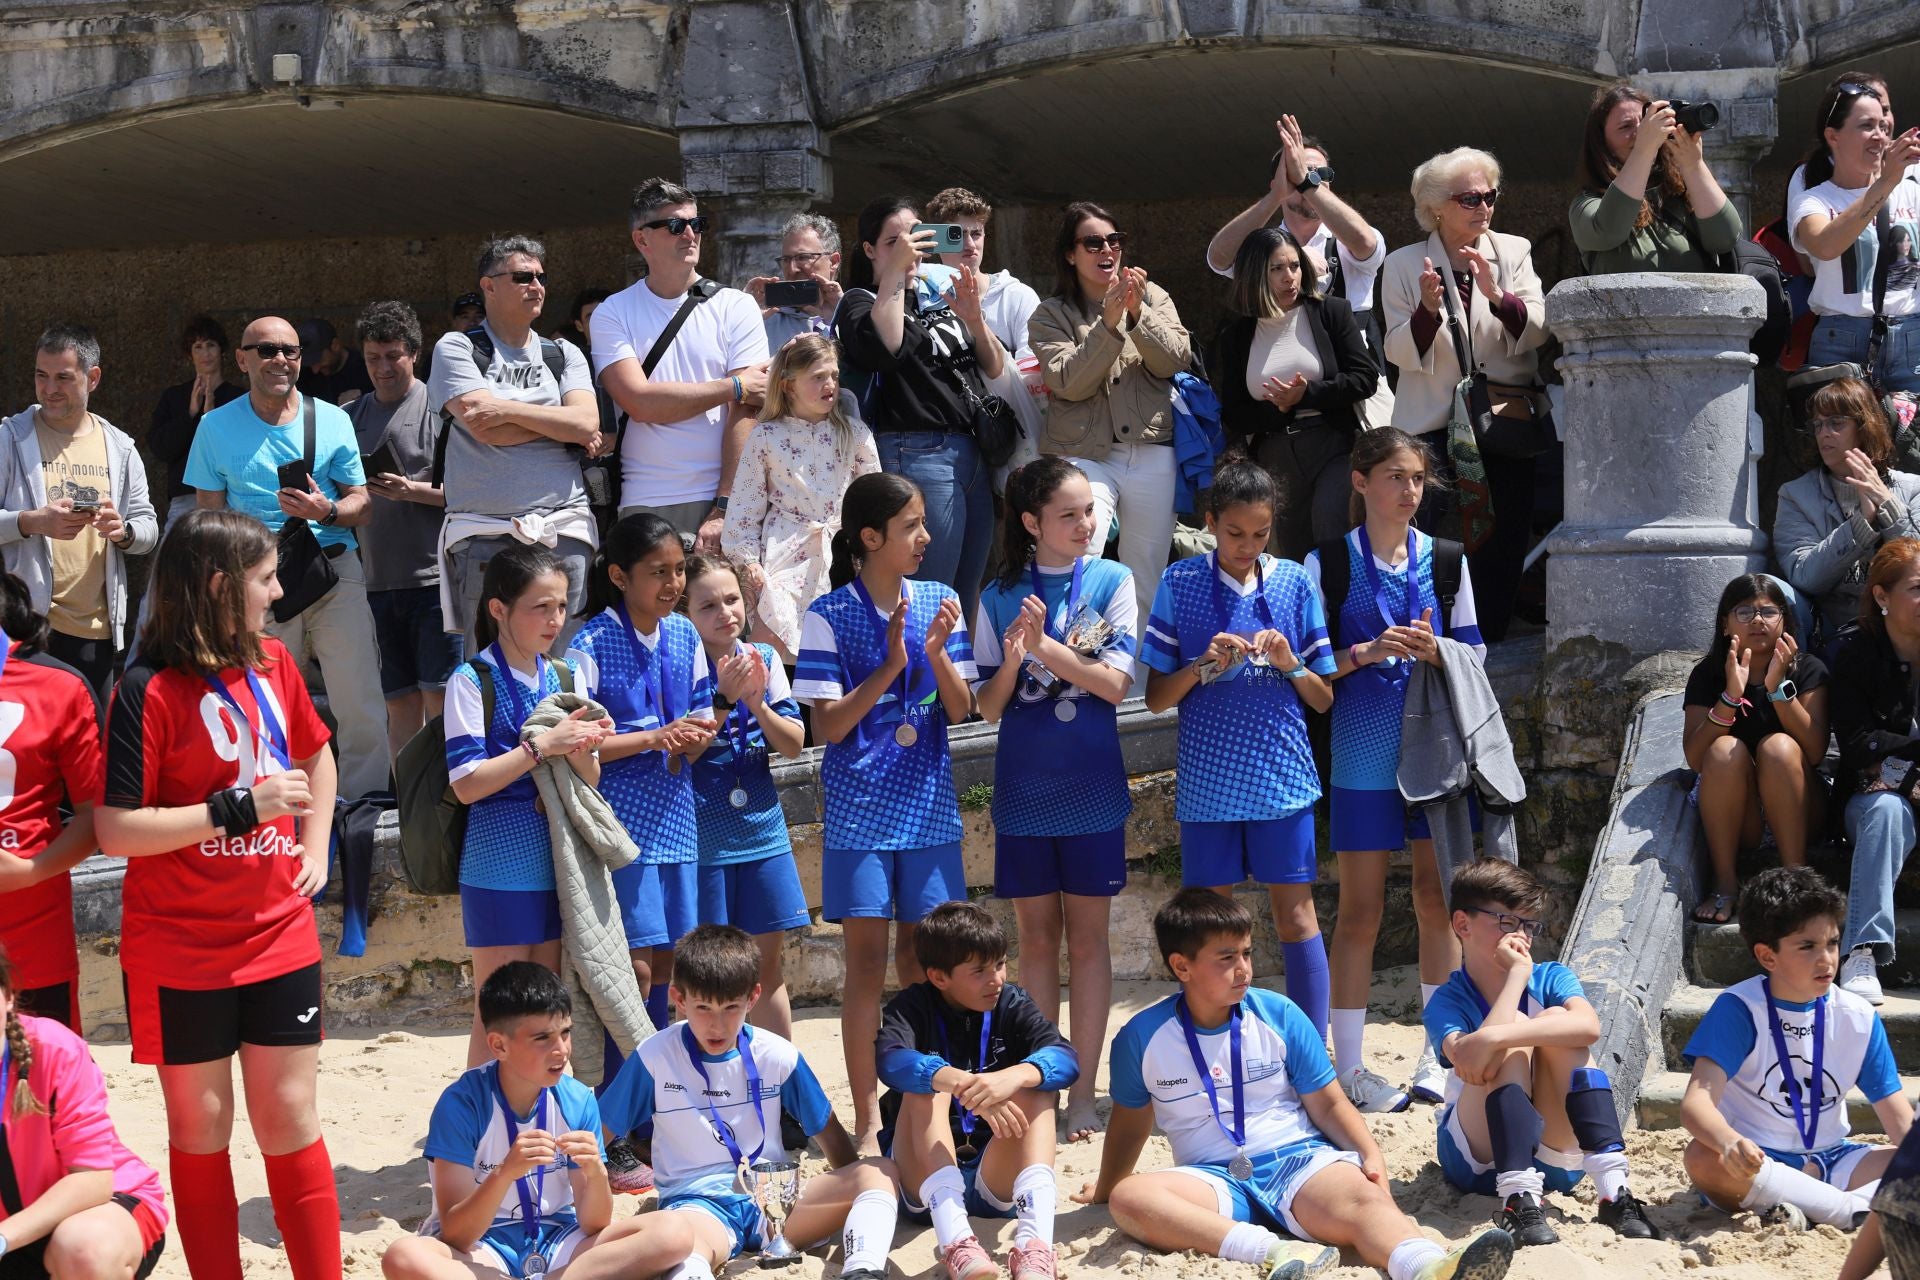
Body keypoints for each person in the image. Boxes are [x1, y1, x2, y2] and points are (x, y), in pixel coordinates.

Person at [97, 508, 342, 1280]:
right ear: (218, 587)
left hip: (278, 932)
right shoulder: (143, 688)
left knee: (289, 1119)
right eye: (264, 579)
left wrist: (316, 848)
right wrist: (238, 809)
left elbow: (318, 754)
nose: (277, 594)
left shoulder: (275, 662)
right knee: (200, 1128)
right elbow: (115, 829)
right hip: (179, 946)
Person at [1076, 888, 1516, 1280]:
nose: (1244, 969)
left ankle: (1428, 1267)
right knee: (1131, 1197)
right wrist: (1105, 1187)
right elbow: (1130, 1126)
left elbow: (1328, 1105)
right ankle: (1277, 1252)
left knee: (1366, 1201)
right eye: (1226, 958)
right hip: (1210, 1179)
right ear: (1181, 966)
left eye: (1247, 954)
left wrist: (1369, 1153)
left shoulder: (1279, 1014)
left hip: (1299, 1163)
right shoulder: (1140, 1037)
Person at [793, 472, 978, 1155]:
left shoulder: (941, 601)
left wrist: (932, 654)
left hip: (929, 811)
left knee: (927, 962)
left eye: (924, 523)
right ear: (870, 538)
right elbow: (830, 728)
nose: (925, 538)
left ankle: (927, 1103)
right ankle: (869, 1115)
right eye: (911, 527)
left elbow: (961, 711)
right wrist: (890, 664)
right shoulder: (829, 614)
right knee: (866, 965)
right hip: (860, 816)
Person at [1304, 429, 1481, 1113]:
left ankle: (1443, 1057)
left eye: (1416, 479)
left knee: (1439, 905)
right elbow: (1311, 667)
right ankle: (1348, 1068)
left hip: (1435, 755)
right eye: (1394, 477)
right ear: (1360, 481)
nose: (1408, 491)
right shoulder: (1328, 564)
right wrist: (1367, 651)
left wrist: (1436, 650)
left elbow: (1478, 652)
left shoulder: (1447, 561)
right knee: (1360, 913)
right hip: (1360, 757)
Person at [1141, 455, 1337, 1038]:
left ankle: (1312, 1046)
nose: (1247, 544)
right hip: (1209, 785)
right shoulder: (1180, 582)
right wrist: (1203, 665)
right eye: (1233, 533)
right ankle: (1211, 1038)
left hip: (1283, 780)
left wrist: (1290, 663)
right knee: (1207, 924)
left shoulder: (1298, 582)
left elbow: (1323, 698)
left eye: (1260, 532)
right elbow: (1155, 698)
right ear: (1208, 522)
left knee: (1296, 916)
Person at [972, 457, 1136, 1143]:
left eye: (1088, 512)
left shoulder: (1113, 579)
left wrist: (1046, 648)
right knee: (1037, 940)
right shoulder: (998, 593)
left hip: (1093, 784)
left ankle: (1085, 1094)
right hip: (1026, 786)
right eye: (1068, 514)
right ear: (1032, 522)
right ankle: (1047, 1076)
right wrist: (1015, 658)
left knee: (1090, 942)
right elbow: (985, 705)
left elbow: (1116, 684)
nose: (1084, 524)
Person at [596, 924, 905, 1280]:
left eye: (731, 1007)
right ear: (679, 1000)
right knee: (686, 1248)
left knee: (878, 1173)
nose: (718, 1024)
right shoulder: (654, 1057)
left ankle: (862, 1270)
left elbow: (832, 1140)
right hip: (698, 1207)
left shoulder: (777, 1055)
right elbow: (595, 1137)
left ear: (753, 997)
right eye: (702, 1008)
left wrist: (848, 1197)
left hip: (777, 1202)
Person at [185, 314, 390, 800]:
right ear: (242, 359)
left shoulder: (333, 418)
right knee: (268, 701)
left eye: (290, 351)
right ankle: (277, 804)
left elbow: (361, 503)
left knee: (360, 700)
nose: (280, 359)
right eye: (266, 350)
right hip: (257, 582)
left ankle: (368, 808)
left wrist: (330, 508)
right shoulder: (215, 427)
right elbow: (209, 517)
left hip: (334, 567)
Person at [1423, 858, 1660, 1246]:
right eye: (1507, 922)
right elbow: (1472, 1064)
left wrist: (1491, 1038)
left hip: (1555, 1158)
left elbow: (1589, 1027)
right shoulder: (1447, 1000)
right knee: (1516, 1027)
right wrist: (1515, 980)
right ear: (1463, 924)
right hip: (1476, 1158)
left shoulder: (1551, 976)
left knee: (1556, 1022)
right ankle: (1518, 1199)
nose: (1522, 935)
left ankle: (1613, 1190)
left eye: (1528, 924)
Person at [379, 963, 658, 1280]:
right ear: (499, 1045)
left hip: (559, 1238)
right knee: (403, 1257)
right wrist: (504, 1173)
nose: (561, 1050)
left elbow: (594, 1225)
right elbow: (456, 1235)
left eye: (565, 1033)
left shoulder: (578, 1099)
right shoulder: (463, 1103)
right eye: (543, 1038)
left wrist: (595, 1172)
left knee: (670, 1232)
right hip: (481, 1247)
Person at [446, 542, 611, 1068]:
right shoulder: (470, 680)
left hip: (560, 864)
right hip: (498, 864)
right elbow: (467, 784)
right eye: (540, 607)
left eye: (561, 606)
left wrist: (584, 749)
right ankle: (477, 1134)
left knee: (550, 1012)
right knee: (497, 1014)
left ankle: (536, 1129)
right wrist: (544, 745)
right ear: (499, 609)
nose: (554, 620)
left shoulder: (567, 677)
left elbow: (592, 777)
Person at [1680, 866, 1913, 1230]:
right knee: (1702, 1157)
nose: (1827, 959)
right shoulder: (1739, 1008)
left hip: (1838, 1159)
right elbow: (1696, 1104)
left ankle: (1822, 1209)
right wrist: (1729, 1142)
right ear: (1767, 956)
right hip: (1760, 1161)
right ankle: (1848, 1211)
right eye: (1808, 946)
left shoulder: (1859, 1016)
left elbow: (1898, 1120)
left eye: (1833, 943)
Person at [1380, 146, 1549, 644]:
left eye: (1490, 196)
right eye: (1470, 198)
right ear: (1436, 206)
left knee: (1506, 533)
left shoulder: (1513, 251)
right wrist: (1427, 312)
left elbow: (1539, 329)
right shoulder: (1404, 263)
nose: (1484, 208)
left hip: (1504, 419)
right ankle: (1433, 638)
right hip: (1432, 424)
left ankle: (1492, 635)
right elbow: (1394, 349)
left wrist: (1498, 296)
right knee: (1433, 537)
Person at [566, 514, 716, 1038]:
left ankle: (661, 1081)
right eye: (658, 572)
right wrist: (655, 736)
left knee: (674, 962)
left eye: (678, 570)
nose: (672, 584)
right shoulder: (591, 643)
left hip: (676, 818)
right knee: (636, 965)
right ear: (619, 576)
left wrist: (706, 724)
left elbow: (701, 716)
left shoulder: (684, 633)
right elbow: (578, 741)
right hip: (621, 826)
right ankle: (629, 1083)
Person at [877, 900, 1080, 1280]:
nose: (997, 979)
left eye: (1001, 964)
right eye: (980, 971)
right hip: (923, 1182)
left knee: (1038, 1085)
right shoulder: (911, 1007)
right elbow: (889, 1062)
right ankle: (956, 1242)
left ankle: (1034, 1246)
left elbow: (1067, 1059)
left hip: (994, 1174)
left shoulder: (1012, 1001)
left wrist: (1017, 1075)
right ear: (940, 977)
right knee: (926, 1084)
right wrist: (957, 1081)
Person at [837, 196, 1007, 623]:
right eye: (894, 241)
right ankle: (917, 686)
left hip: (971, 452)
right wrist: (897, 273)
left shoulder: (937, 292)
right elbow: (889, 348)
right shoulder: (860, 303)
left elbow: (993, 366)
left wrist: (972, 318)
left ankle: (954, 687)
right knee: (932, 596)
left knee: (966, 594)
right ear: (871, 250)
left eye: (914, 237)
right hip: (916, 451)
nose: (908, 248)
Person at [429, 235, 600, 656]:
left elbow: (586, 421)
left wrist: (507, 410)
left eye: (541, 277)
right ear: (489, 286)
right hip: (486, 533)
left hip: (564, 530)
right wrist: (558, 424)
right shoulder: (457, 347)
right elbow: (484, 428)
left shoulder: (564, 353)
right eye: (523, 277)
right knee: (489, 668)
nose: (537, 286)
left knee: (566, 669)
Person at [1028, 201, 1189, 624]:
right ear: (1070, 253)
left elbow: (1175, 359)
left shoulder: (1154, 297)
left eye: (1115, 240)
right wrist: (1109, 322)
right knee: (1083, 550)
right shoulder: (1050, 314)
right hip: (1084, 454)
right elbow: (1067, 382)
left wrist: (1137, 313)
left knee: (1147, 573)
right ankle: (1074, 668)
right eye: (1094, 242)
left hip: (1152, 449)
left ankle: (1134, 687)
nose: (1108, 250)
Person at [592, 179, 771, 548]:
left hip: (725, 502)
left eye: (697, 224)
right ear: (641, 240)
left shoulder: (735, 305)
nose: (691, 234)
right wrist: (732, 385)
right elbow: (640, 403)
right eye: (675, 226)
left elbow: (747, 412)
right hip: (646, 499)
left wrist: (725, 505)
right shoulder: (612, 312)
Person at [680, 555, 808, 1039]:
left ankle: (778, 1087)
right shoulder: (681, 664)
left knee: (765, 969)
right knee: (703, 972)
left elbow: (793, 744)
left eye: (731, 599)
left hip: (761, 825)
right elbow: (681, 758)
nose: (724, 613)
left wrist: (756, 703)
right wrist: (723, 700)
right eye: (707, 605)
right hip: (703, 831)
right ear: (685, 614)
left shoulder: (767, 659)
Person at [0, 324, 158, 704]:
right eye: (41, 375)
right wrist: (32, 522)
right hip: (23, 628)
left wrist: (124, 531)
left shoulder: (120, 447)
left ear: (93, 377)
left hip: (95, 633)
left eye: (62, 378)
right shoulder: (9, 438)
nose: (49, 388)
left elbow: (149, 527)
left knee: (89, 754)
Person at [0, 944, 169, 1279]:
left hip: (92, 1210)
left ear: (8, 998)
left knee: (83, 1250)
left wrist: (4, 1238)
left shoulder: (54, 1049)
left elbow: (93, 1179)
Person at [1215, 226, 1378, 563]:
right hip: (1275, 454)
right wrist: (1279, 409)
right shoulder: (1237, 332)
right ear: (1254, 274)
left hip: (1333, 442)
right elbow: (1233, 411)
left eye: (1294, 266)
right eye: (1276, 268)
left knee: (1331, 529)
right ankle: (1308, 617)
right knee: (1294, 551)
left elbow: (1365, 378)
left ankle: (1342, 616)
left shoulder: (1331, 311)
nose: (1289, 277)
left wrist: (1307, 395)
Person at [347, 300, 463, 764]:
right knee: (397, 704)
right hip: (375, 581)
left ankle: (445, 800)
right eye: (373, 358)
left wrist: (410, 490)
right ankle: (407, 806)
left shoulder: (440, 406)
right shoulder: (351, 415)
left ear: (414, 353)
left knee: (440, 701)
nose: (382, 368)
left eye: (392, 356)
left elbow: (469, 493)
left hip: (434, 581)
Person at [722, 334, 880, 665]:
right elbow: (744, 510)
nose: (830, 384)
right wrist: (749, 562)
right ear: (789, 384)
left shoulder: (855, 434)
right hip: (784, 558)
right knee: (771, 658)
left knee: (844, 661)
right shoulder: (765, 436)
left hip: (843, 558)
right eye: (818, 376)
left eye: (834, 375)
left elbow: (876, 502)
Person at [1681, 574, 1830, 926]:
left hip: (1801, 806)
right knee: (1722, 750)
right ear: (1725, 624)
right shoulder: (1708, 675)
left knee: (1778, 747)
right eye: (1744, 612)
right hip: (1741, 814)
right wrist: (1731, 695)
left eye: (1768, 612)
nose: (1758, 621)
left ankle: (1796, 879)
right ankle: (1726, 882)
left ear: (1785, 621)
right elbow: (1694, 757)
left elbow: (1815, 751)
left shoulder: (1809, 669)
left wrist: (1777, 688)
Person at [0, 575, 102, 1035]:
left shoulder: (59, 686)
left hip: (31, 934)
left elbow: (96, 818)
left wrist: (30, 871)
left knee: (39, 1094)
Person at [1205, 116, 1388, 354]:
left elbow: (1366, 244)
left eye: (1321, 173)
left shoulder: (1347, 236)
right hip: (1285, 368)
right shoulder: (1265, 245)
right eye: (1300, 174)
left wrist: (1306, 183)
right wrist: (1275, 197)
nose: (1313, 180)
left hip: (1352, 373)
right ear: (1278, 183)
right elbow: (1218, 259)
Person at [1829, 537, 1920, 1005]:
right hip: (1872, 796)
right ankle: (1861, 952)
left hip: (1901, 778)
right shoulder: (1855, 653)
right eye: (1918, 588)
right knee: (1885, 811)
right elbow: (1857, 743)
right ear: (1882, 596)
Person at [1790, 78, 1920, 389]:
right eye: (1866, 126)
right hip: (1841, 340)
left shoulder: (1913, 187)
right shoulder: (1814, 199)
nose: (1880, 136)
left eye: (1883, 126)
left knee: (1911, 439)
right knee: (1844, 438)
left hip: (1911, 339)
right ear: (1833, 136)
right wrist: (1885, 182)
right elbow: (1824, 245)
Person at [1774, 375, 1920, 646]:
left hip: (1904, 626)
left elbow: (1917, 564)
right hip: (1832, 630)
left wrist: (1887, 505)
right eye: (1817, 425)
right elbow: (1805, 576)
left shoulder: (1913, 488)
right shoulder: (1795, 495)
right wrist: (1861, 525)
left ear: (1864, 426)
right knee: (1768, 587)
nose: (1824, 433)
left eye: (1836, 423)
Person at [1570, 83, 1743, 274]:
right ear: (1602, 143)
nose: (1642, 132)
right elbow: (1609, 231)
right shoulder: (1587, 205)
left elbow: (1726, 238)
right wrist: (1644, 149)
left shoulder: (1683, 194)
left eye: (1646, 122)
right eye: (1626, 126)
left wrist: (1693, 165)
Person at [925, 187, 1044, 370]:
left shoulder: (1017, 296)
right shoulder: (921, 299)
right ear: (936, 240)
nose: (970, 245)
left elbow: (1032, 377)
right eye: (957, 235)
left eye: (976, 234)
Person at [149, 315, 244, 534]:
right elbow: (161, 449)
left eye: (211, 345)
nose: (205, 353)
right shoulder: (173, 397)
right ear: (189, 354)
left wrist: (210, 419)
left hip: (230, 497)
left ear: (222, 351)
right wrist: (190, 413)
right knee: (174, 564)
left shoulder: (239, 398)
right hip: (185, 498)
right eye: (198, 346)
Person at [745, 213, 847, 352]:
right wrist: (744, 313)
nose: (792, 269)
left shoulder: (858, 317)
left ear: (833, 261)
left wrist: (841, 315)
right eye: (786, 260)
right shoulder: (766, 319)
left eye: (803, 257)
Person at [296, 318, 373, 406]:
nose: (315, 370)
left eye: (318, 360)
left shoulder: (365, 369)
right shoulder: (305, 375)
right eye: (310, 363)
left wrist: (363, 398)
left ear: (335, 345)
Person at [553, 287, 612, 355]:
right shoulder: (573, 362)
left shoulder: (626, 351)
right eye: (591, 317)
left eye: (604, 315)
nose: (599, 321)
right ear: (579, 326)